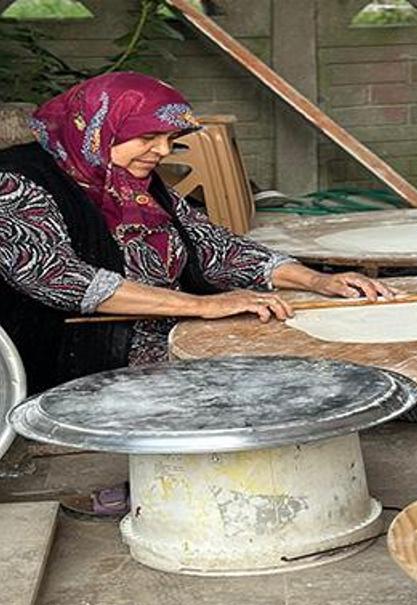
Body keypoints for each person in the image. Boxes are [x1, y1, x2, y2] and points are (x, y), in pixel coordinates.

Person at [0, 72, 394, 397]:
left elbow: (212, 245)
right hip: (79, 362)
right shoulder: (18, 183)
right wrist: (203, 306)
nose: (162, 151)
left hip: (167, 331)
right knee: (278, 380)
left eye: (170, 140)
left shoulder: (133, 182)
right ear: (100, 129)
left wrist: (315, 280)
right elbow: (58, 277)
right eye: (147, 137)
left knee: (308, 351)